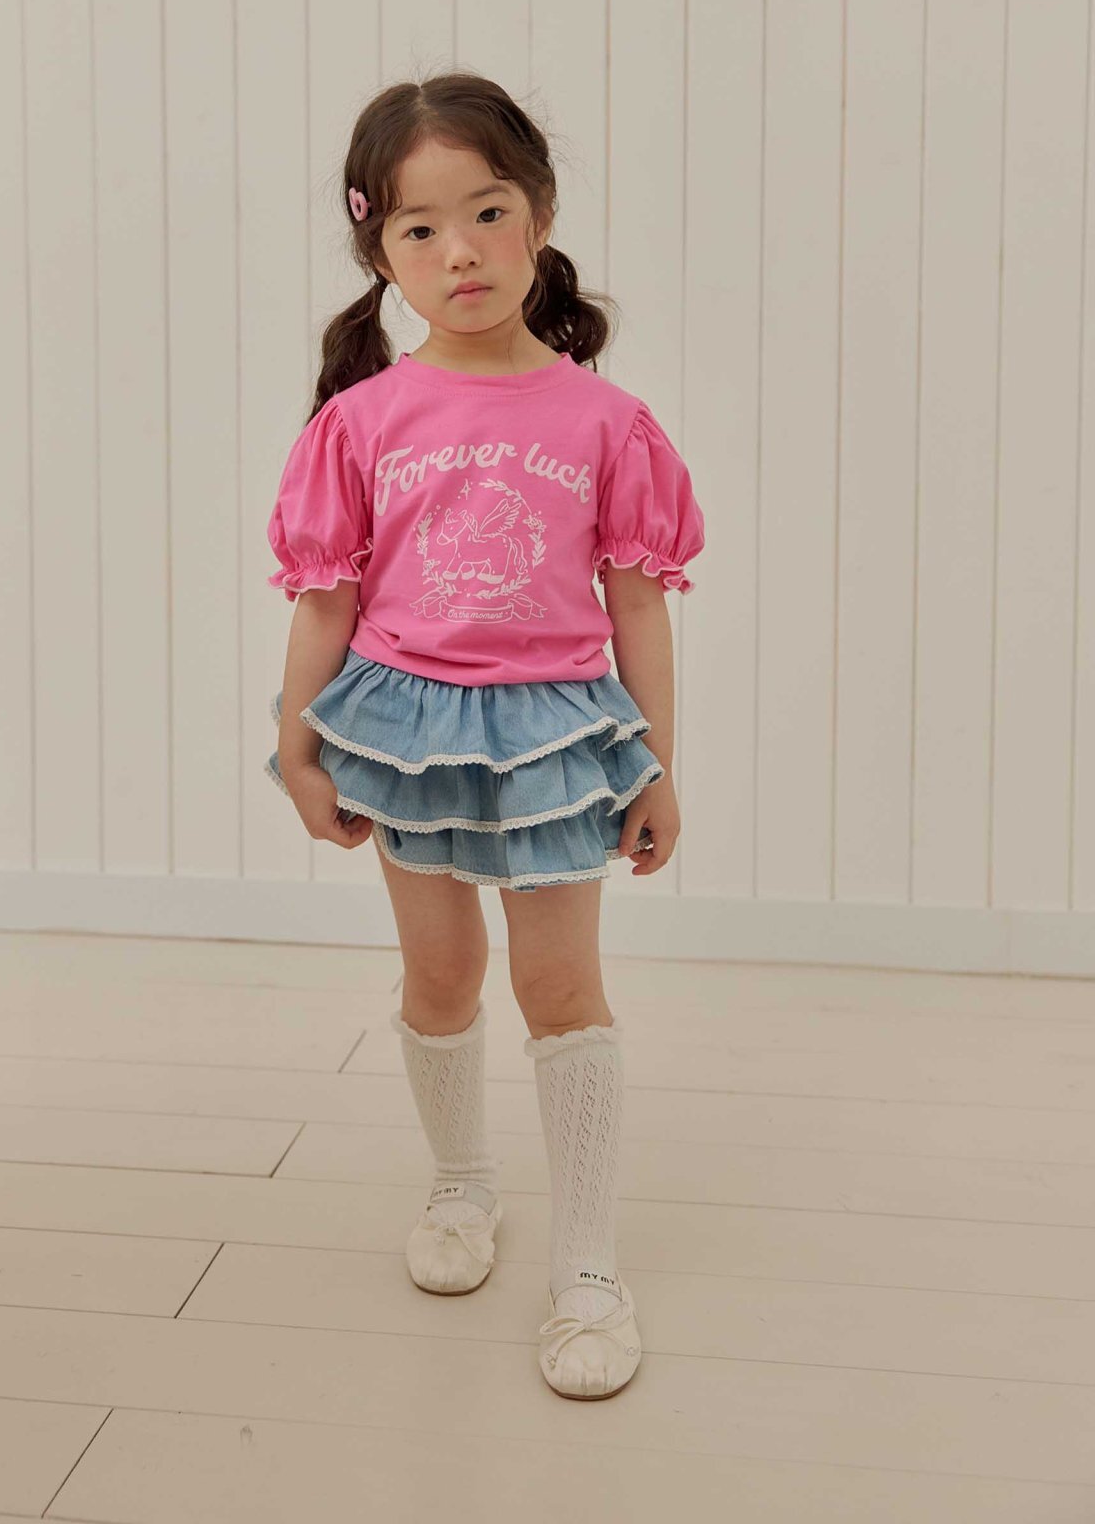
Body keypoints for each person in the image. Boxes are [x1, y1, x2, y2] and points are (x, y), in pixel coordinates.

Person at [263, 71, 704, 1401]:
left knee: (561, 990)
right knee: (441, 975)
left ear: (540, 215)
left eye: (488, 212)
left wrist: (657, 767)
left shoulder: (606, 422)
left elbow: (637, 602)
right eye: (420, 227)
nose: (460, 251)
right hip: (405, 729)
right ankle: (461, 1183)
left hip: (557, 737)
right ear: (380, 251)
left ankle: (588, 1264)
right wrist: (298, 747)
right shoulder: (362, 422)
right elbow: (327, 598)